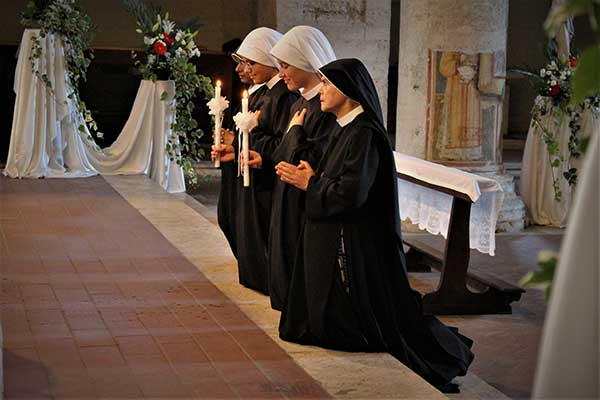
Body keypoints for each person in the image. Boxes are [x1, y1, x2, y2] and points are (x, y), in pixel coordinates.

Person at [275, 58, 474, 392]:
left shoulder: (365, 133)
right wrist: (314, 175)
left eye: (326, 84)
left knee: (374, 324)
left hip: (358, 239)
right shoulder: (346, 127)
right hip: (338, 230)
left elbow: (352, 192)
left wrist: (311, 183)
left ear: (347, 90)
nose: (320, 90)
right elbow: (338, 178)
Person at [246, 25, 338, 310]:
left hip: (304, 199)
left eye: (286, 66)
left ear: (307, 62)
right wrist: (267, 157)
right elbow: (285, 151)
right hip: (286, 193)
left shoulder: (326, 106)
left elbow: (316, 157)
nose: (281, 72)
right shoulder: (300, 102)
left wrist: (296, 131)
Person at [213, 27, 298, 294]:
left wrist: (240, 141)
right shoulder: (264, 94)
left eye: (251, 63)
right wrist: (233, 144)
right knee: (236, 223)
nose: (246, 70)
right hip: (250, 173)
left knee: (260, 232)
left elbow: (283, 144)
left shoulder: (284, 97)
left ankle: (267, 280)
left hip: (266, 179)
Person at [216, 58, 267, 258]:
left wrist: (235, 142)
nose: (240, 69)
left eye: (248, 62)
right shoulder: (252, 95)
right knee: (228, 219)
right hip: (236, 169)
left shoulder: (277, 97)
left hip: (256, 176)